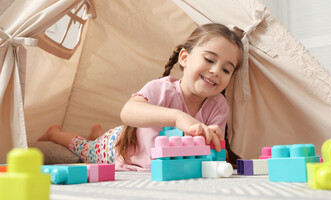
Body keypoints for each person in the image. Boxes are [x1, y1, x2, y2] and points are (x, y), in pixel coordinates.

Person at [38, 23, 244, 171]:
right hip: (119, 146)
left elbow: (213, 154)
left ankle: (97, 131)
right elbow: (128, 112)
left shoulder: (219, 106)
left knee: (99, 136)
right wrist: (177, 117)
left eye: (226, 70)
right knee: (85, 148)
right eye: (209, 59)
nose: (216, 71)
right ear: (185, 58)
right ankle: (55, 134)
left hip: (163, 164)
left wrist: (215, 145)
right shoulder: (161, 89)